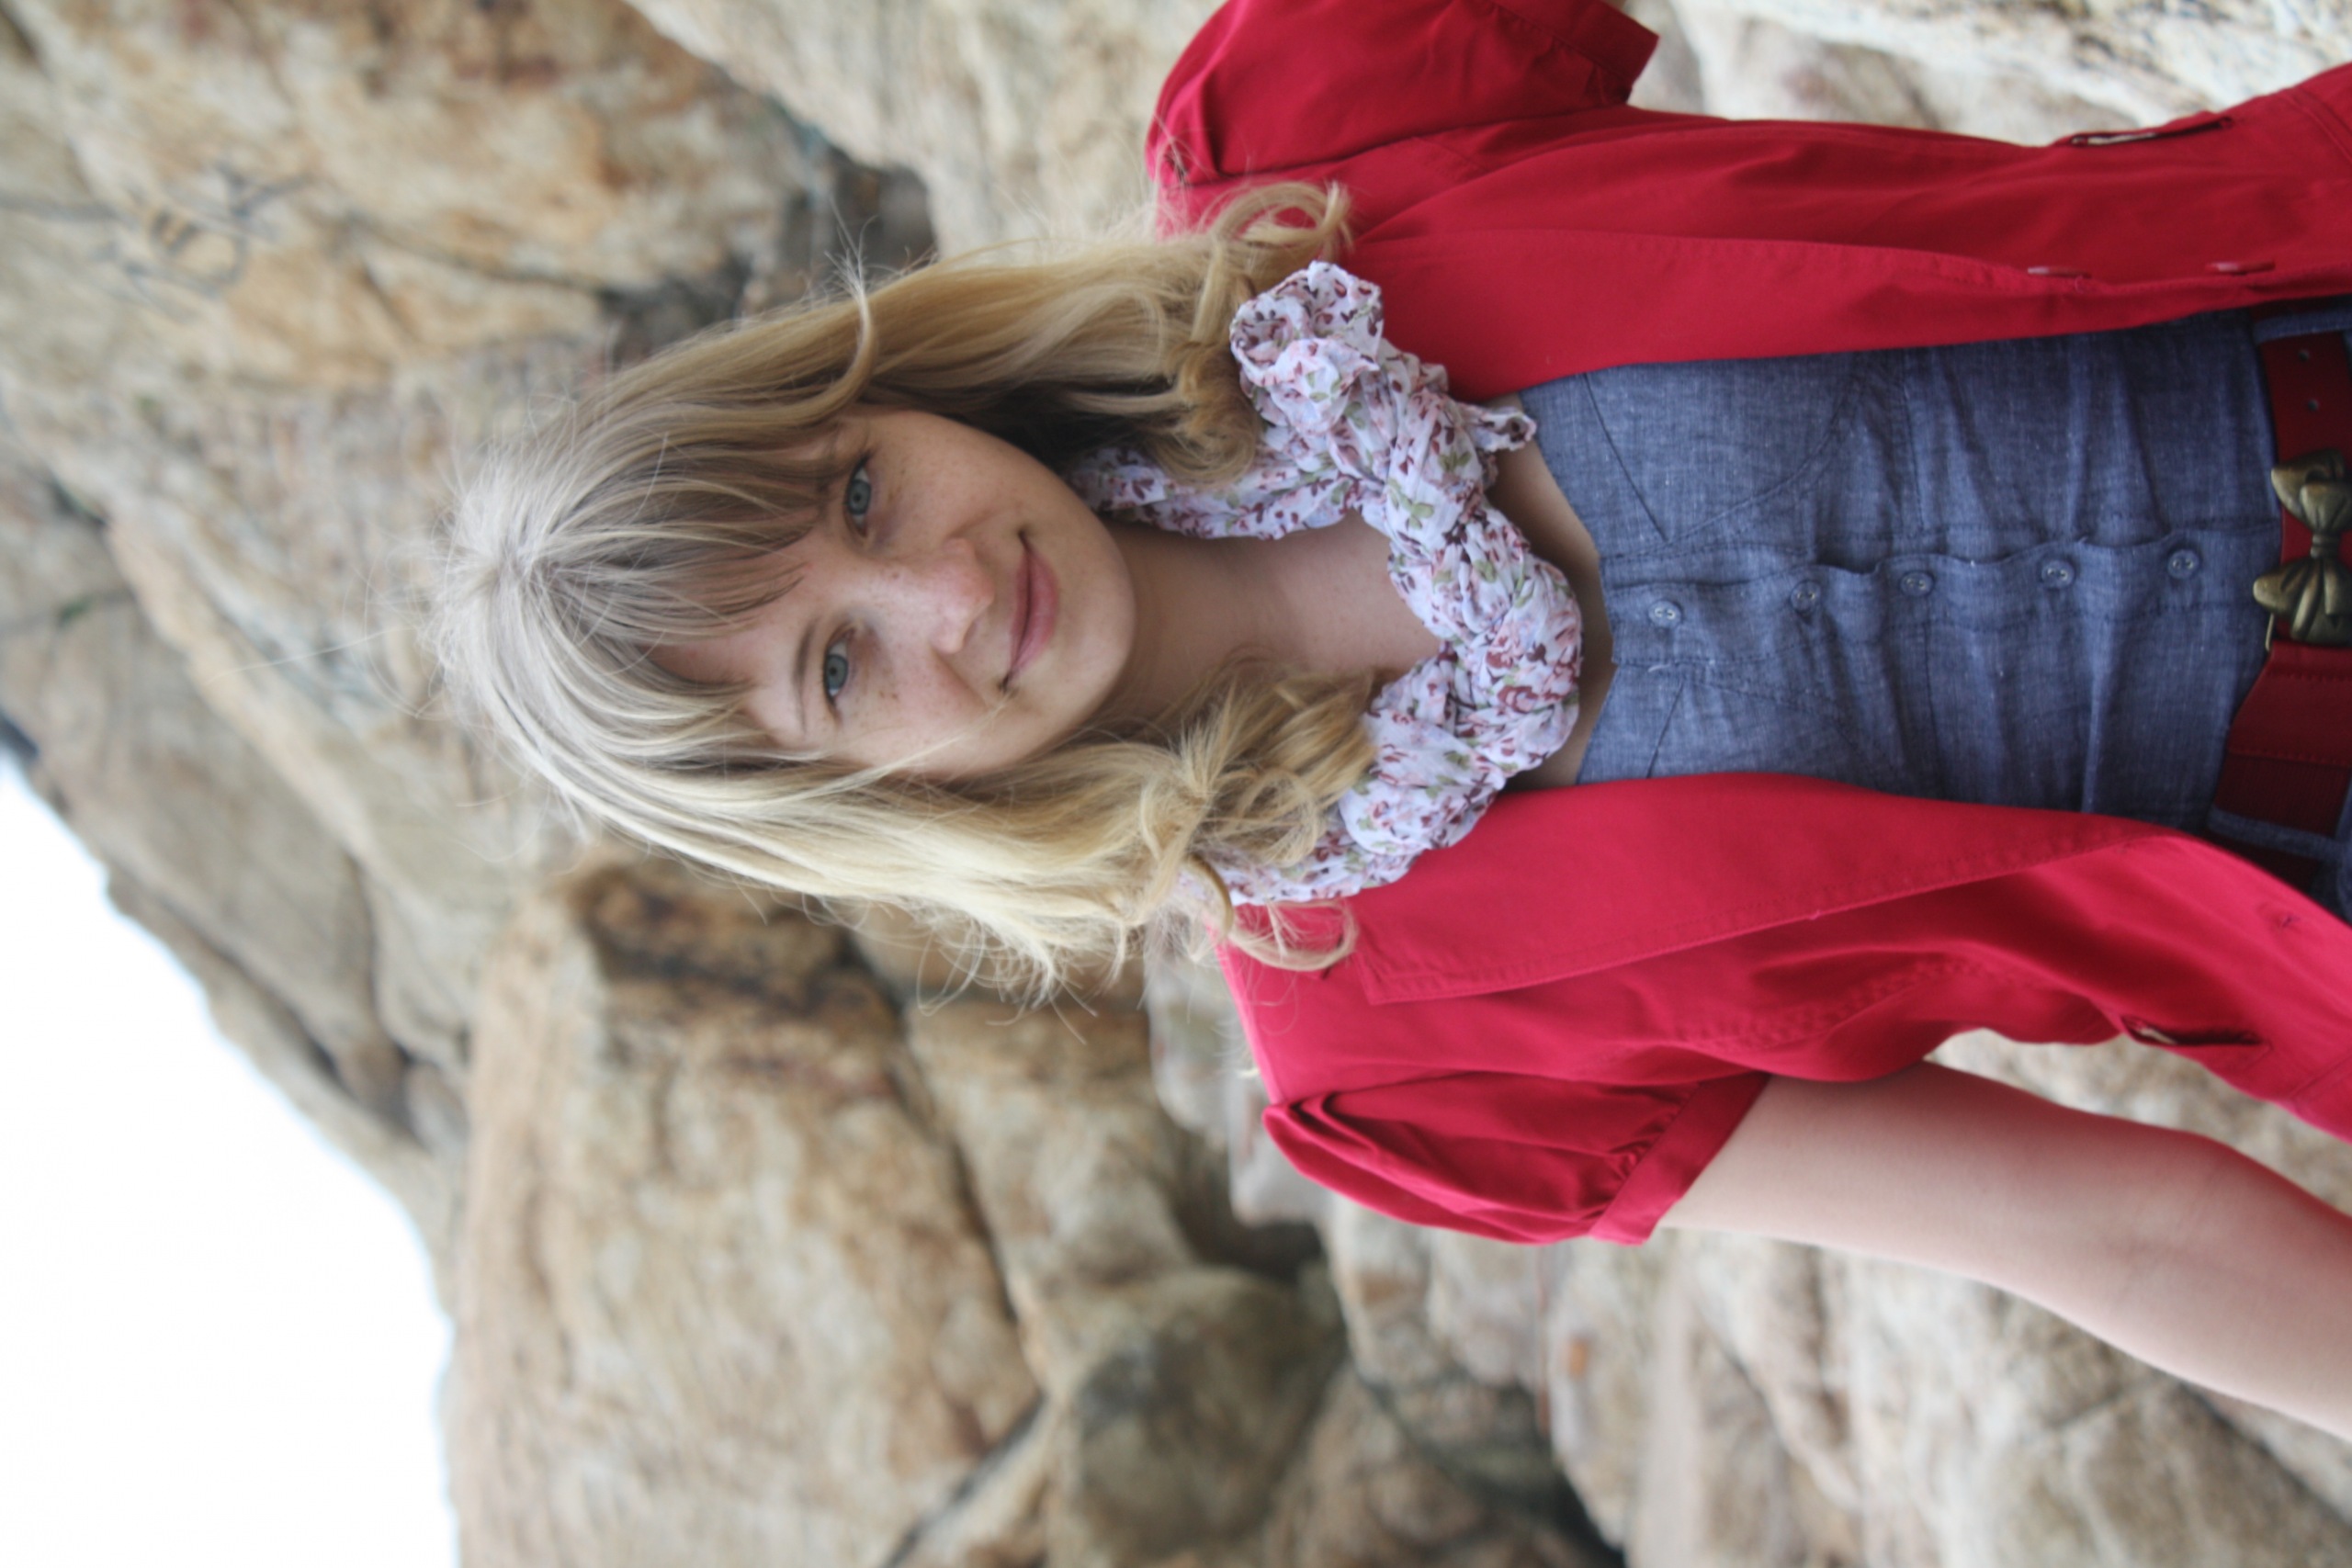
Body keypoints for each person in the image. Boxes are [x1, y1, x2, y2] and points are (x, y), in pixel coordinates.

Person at [434, 0, 2352, 1442]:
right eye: (840, 670)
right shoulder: (1394, 1061)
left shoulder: (1312, 139)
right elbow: (2111, 1233)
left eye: (860, 494)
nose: (944, 594)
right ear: (852, 799)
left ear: (879, 393)